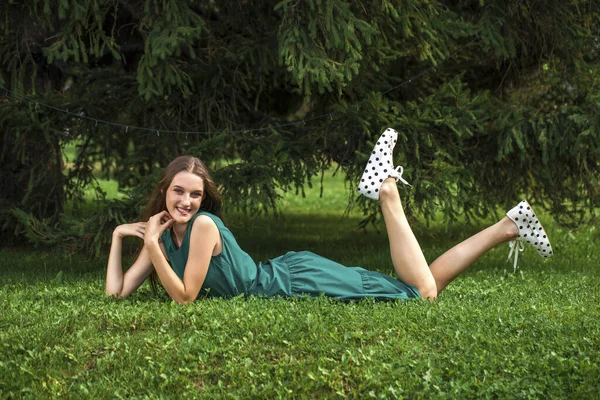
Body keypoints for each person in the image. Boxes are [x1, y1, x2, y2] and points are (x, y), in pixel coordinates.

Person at [106, 128, 553, 303]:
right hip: (290, 278)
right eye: (179, 192)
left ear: (204, 200)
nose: (186, 202)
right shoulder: (162, 237)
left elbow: (184, 298)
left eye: (195, 194)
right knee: (422, 289)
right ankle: (509, 225)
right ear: (165, 191)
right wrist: (117, 238)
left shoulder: (202, 227)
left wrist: (148, 246)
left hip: (295, 282)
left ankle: (387, 191)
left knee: (422, 295)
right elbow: (117, 294)